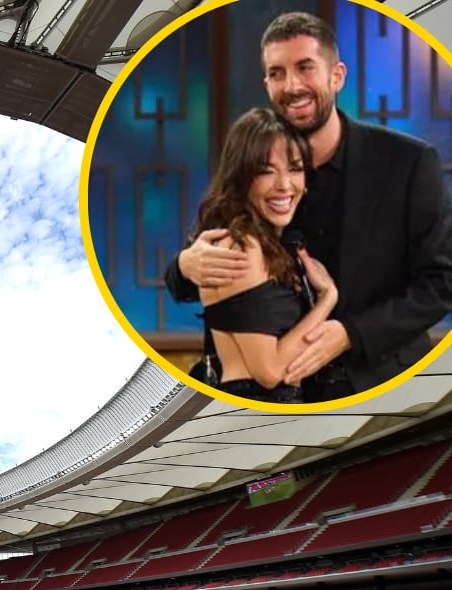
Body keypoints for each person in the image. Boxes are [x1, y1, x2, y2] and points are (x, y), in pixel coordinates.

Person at [165, 11, 452, 401]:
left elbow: (442, 283)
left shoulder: (408, 163)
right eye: (277, 73)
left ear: (337, 75)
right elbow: (195, 273)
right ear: (266, 84)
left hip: (378, 385)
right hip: (264, 396)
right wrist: (184, 266)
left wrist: (352, 332)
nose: (292, 85)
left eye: (305, 68)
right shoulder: (250, 168)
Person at [192, 107, 338, 402]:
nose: (284, 185)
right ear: (241, 177)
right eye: (265, 171)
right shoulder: (243, 246)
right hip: (258, 399)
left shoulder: (265, 242)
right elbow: (269, 372)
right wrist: (327, 300)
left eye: (294, 169)